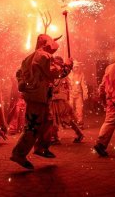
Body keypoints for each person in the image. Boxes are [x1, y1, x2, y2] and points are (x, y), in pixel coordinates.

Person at [10, 34, 72, 170]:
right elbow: (55, 73)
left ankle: (41, 147)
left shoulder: (29, 57)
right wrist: (67, 66)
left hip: (39, 97)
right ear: (45, 43)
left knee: (48, 121)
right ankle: (18, 153)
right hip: (38, 97)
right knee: (32, 126)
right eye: (50, 41)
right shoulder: (44, 56)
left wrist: (22, 83)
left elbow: (19, 72)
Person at [50, 56, 84, 144]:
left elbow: (57, 87)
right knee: (58, 119)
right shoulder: (60, 73)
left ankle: (55, 137)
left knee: (57, 119)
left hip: (58, 100)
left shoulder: (59, 74)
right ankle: (78, 133)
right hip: (57, 99)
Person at [68, 60, 88, 128]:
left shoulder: (81, 74)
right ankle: (70, 122)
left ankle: (80, 122)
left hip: (78, 94)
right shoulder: (69, 74)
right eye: (74, 67)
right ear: (72, 67)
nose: (76, 69)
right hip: (70, 94)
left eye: (77, 67)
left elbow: (83, 84)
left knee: (79, 108)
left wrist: (85, 93)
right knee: (70, 108)